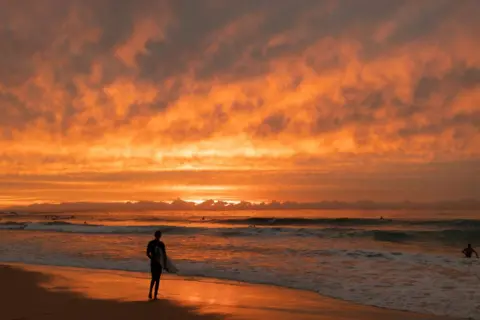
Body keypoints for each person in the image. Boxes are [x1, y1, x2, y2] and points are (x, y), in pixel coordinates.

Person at [146, 230, 167, 300]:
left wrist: (164, 263)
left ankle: (153, 294)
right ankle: (152, 294)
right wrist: (153, 258)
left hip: (157, 263)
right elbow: (148, 253)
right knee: (155, 279)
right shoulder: (155, 243)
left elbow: (164, 255)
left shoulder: (159, 244)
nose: (158, 236)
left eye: (159, 235)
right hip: (155, 263)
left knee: (156, 279)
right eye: (158, 235)